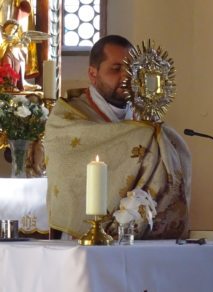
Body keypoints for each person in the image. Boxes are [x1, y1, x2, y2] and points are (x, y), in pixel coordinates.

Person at [44, 35, 192, 239]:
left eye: (132, 70)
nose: (126, 77)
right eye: (115, 69)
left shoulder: (144, 120)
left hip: (141, 244)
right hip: (85, 240)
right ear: (93, 74)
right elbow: (68, 172)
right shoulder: (67, 116)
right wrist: (145, 135)